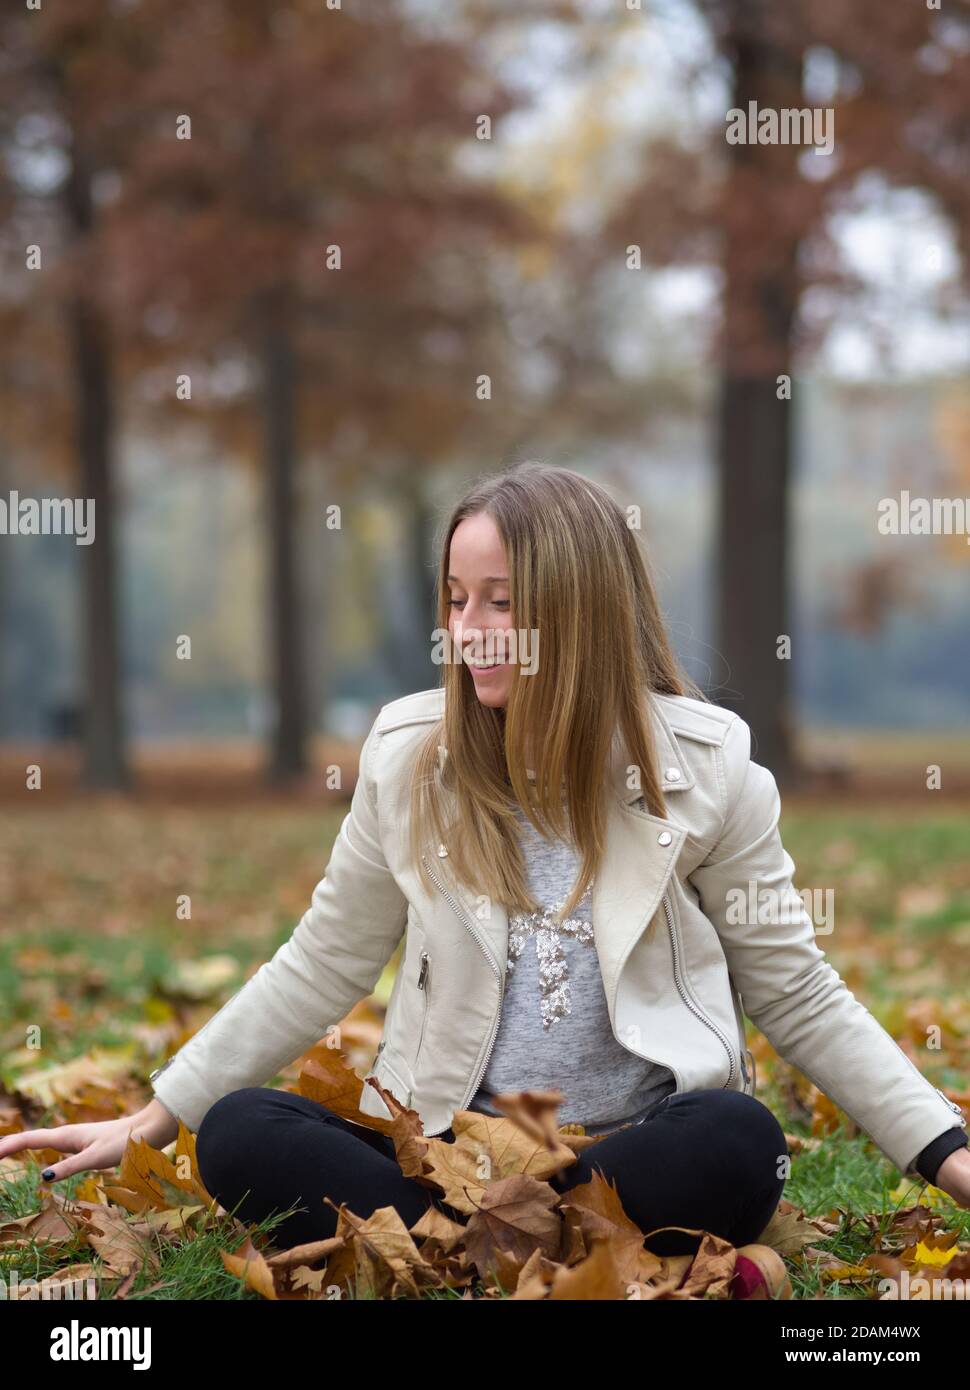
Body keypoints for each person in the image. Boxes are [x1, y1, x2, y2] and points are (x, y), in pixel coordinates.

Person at [3, 462, 968, 1272]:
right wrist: (154, 1118)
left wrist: (949, 1153)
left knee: (738, 1141)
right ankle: (505, 1250)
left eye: (501, 603)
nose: (468, 630)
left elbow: (799, 993)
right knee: (241, 1132)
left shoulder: (712, 775)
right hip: (440, 1157)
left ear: (579, 610)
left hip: (628, 1157)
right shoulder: (405, 757)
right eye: (457, 601)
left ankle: (463, 1257)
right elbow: (321, 962)